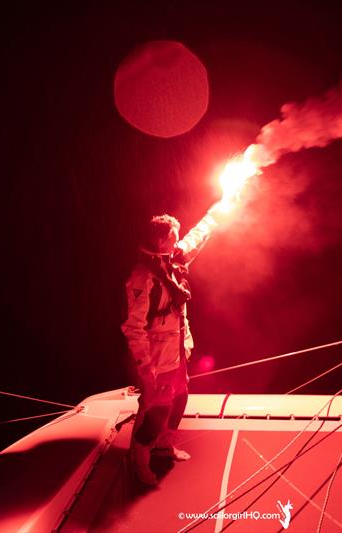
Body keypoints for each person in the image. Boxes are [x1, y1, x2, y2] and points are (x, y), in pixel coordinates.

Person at [121, 204, 224, 486]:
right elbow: (133, 328)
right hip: (157, 357)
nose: (178, 240)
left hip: (177, 349)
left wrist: (222, 206)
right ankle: (139, 460)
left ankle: (164, 446)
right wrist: (145, 369)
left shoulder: (173, 259)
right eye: (174, 236)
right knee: (157, 411)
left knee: (180, 400)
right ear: (160, 241)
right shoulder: (142, 279)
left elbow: (198, 235)